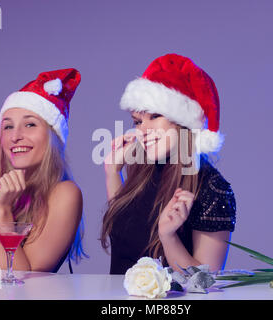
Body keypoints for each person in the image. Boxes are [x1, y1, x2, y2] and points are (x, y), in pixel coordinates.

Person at [101, 53, 237, 275]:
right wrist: (112, 173)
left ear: (183, 121)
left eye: (155, 116)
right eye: (137, 121)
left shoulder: (212, 188)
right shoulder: (143, 171)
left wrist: (169, 237)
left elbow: (204, 282)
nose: (142, 130)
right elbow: (124, 237)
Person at [0, 68, 85, 273]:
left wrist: (2, 212)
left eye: (30, 124)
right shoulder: (8, 192)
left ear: (53, 136)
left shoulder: (65, 193)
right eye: (8, 127)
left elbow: (20, 281)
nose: (15, 136)